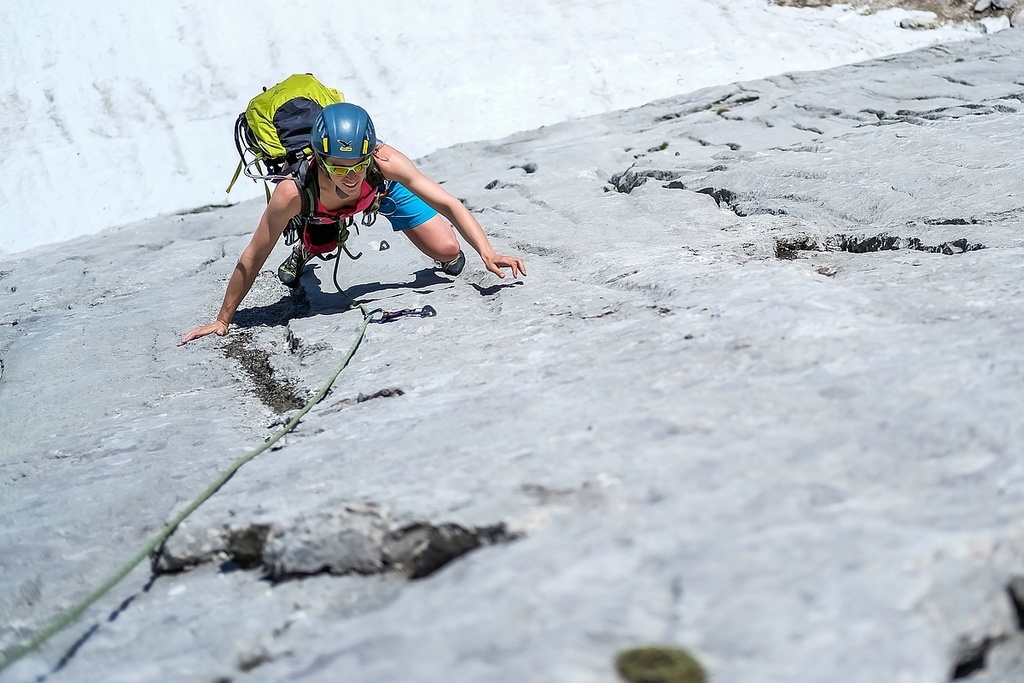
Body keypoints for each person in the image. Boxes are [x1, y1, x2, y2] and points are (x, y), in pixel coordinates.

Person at [180, 102, 526, 345]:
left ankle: (322, 233)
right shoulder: (293, 192)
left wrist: (487, 252)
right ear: (318, 158)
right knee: (322, 240)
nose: (350, 175)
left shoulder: (384, 163)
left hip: (379, 193)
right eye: (338, 166)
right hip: (319, 208)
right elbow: (254, 255)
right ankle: (307, 245)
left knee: (448, 251)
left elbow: (448, 203)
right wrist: (223, 320)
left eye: (358, 164)